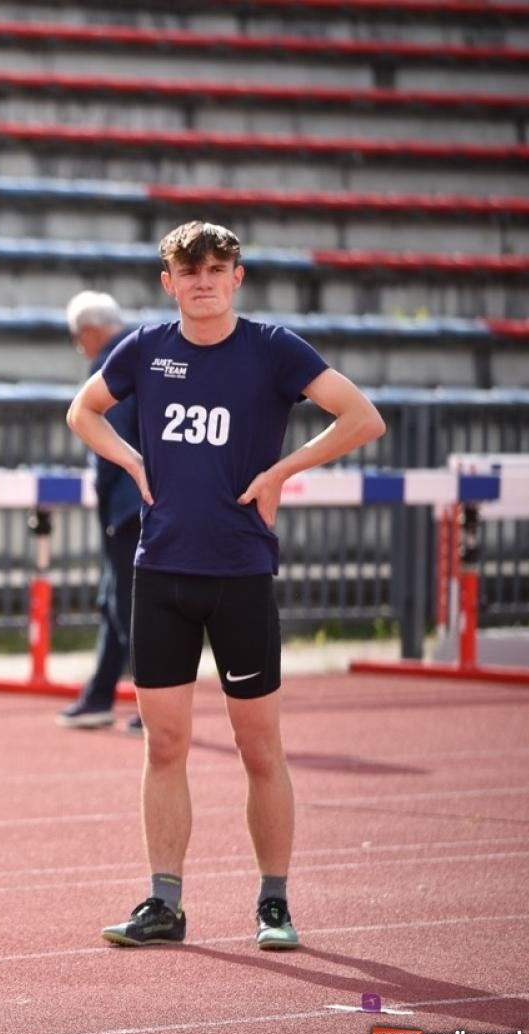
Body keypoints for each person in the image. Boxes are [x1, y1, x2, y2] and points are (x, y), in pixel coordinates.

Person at [66, 221, 385, 952]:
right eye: (190, 271)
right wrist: (131, 461)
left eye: (216, 269)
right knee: (164, 744)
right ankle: (163, 902)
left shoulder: (273, 349)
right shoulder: (144, 348)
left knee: (259, 747)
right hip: (161, 571)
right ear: (169, 283)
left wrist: (281, 472)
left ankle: (273, 903)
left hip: (240, 573)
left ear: (236, 277)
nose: (203, 281)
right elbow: (82, 411)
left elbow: (362, 418)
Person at [57, 291, 142, 734]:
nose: (80, 347)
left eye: (78, 339)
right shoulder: (144, 354)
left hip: (129, 502)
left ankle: (154, 703)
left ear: (90, 331)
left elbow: (109, 441)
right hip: (146, 497)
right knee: (115, 599)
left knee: (129, 604)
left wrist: (106, 492)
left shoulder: (111, 366)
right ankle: (99, 695)